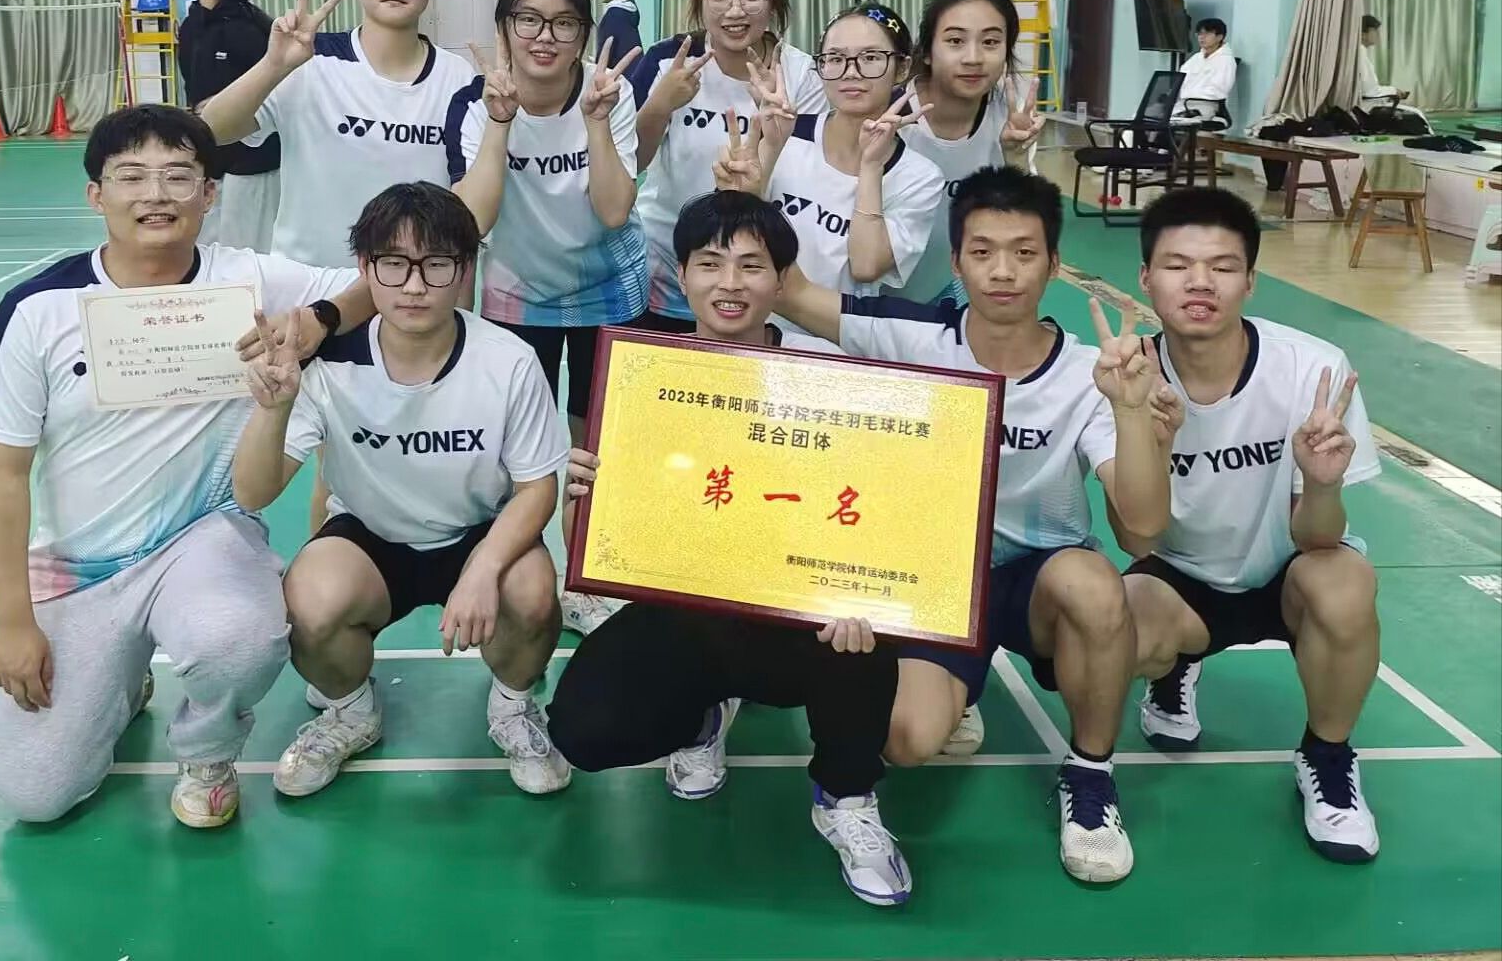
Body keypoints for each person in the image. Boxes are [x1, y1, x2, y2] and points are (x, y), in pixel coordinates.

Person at [718, 151, 1172, 883]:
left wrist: (1130, 412)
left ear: (1055, 265)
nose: (1003, 271)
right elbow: (793, 293)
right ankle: (960, 692)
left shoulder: (1090, 374)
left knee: (1095, 585)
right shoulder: (913, 336)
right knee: (903, 739)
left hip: (1038, 580)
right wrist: (752, 196)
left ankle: (1091, 774)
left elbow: (1144, 530)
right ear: (956, 263)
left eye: (1024, 253)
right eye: (982, 253)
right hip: (929, 581)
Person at [0, 105, 371, 828]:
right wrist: (13, 622)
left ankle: (207, 752)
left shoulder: (249, 280)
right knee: (35, 795)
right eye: (132, 177)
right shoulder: (39, 309)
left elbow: (371, 282)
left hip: (204, 537)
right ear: (96, 194)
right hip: (81, 564)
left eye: (179, 176)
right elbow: (0, 473)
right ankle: (120, 683)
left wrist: (318, 319)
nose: (156, 195)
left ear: (209, 194)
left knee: (237, 640)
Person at [547, 190, 911, 908]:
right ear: (681, 275)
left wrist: (858, 586)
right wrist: (580, 505)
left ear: (781, 280)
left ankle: (845, 798)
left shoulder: (831, 380)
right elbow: (606, 555)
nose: (730, 283)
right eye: (710, 264)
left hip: (798, 616)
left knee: (864, 638)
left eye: (751, 265)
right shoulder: (644, 379)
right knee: (583, 730)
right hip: (686, 612)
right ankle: (700, 717)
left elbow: (872, 509)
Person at [231, 183, 573, 801]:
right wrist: (273, 411)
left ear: (463, 270)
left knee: (530, 591)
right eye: (394, 264)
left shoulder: (509, 360)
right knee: (309, 601)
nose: (414, 286)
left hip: (476, 531)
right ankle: (351, 712)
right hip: (370, 538)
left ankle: (513, 706)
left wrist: (483, 569)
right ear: (365, 269)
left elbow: (535, 490)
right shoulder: (328, 364)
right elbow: (254, 492)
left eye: (436, 264)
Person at [1122, 187, 1384, 864]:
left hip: (1287, 568)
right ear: (1146, 278)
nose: (1200, 282)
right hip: (1179, 577)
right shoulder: (1128, 378)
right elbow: (1137, 539)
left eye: (1222, 266)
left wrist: (1321, 481)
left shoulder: (1313, 370)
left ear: (1251, 281)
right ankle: (1173, 669)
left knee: (1346, 585)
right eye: (1177, 265)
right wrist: (1144, 434)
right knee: (1111, 625)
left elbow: (1318, 538)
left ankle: (1327, 758)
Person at [443, 0, 647, 638]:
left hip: (607, 289)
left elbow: (614, 210)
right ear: (504, 26)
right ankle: (517, 574)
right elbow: (473, 221)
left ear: (584, 31)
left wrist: (596, 123)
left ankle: (586, 581)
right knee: (518, 445)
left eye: (564, 23)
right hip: (518, 292)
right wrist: (500, 123)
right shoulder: (473, 103)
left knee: (596, 446)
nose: (545, 37)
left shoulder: (609, 93)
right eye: (528, 19)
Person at [196, 0, 474, 267]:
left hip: (410, 283)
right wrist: (273, 66)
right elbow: (213, 130)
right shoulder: (310, 60)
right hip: (308, 283)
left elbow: (467, 198)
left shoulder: (457, 76)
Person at [629, 0, 827, 332]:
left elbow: (809, 182)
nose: (735, 11)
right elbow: (631, 163)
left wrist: (774, 139)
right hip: (665, 268)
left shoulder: (801, 75)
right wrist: (661, 104)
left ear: (773, 2)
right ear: (700, 2)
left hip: (751, 278)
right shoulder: (669, 61)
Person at [744, 4, 945, 352]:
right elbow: (732, 232)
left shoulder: (920, 177)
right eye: (835, 59)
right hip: (754, 335)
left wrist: (871, 165)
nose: (851, 72)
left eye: (870, 58)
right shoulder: (785, 133)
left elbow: (866, 266)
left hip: (839, 347)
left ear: (902, 67)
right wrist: (769, 149)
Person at [901, 0, 1050, 302]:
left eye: (991, 42)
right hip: (867, 293)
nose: (973, 58)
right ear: (927, 51)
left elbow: (1023, 225)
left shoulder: (1009, 118)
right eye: (955, 41)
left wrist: (1015, 157)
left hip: (945, 288)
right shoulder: (890, 114)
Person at [177, 0, 282, 252]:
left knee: (247, 249)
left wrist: (227, 103)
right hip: (209, 156)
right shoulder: (192, 25)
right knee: (203, 245)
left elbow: (278, 91)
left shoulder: (252, 30)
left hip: (252, 161)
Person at [1175, 18, 1237, 122]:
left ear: (1219, 37)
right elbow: (1180, 80)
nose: (1201, 37)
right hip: (1184, 103)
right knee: (1153, 116)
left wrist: (1190, 94)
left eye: (1207, 34)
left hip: (1206, 105)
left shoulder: (1226, 60)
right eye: (1199, 34)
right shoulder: (1196, 58)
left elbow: (1218, 90)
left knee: (1174, 122)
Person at [595, 0, 643, 66]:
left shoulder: (613, 14)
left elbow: (607, 45)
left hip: (621, 69)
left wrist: (598, 65)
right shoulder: (628, 11)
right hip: (636, 66)